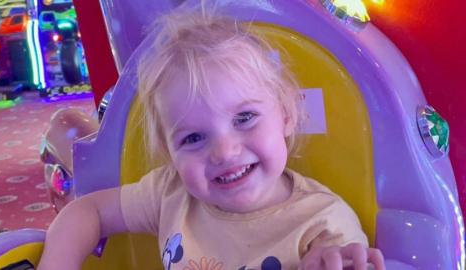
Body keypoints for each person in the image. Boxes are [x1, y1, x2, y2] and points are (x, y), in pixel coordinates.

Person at [38, 5, 385, 270]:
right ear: (169, 151)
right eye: (192, 139)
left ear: (287, 116)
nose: (224, 151)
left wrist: (328, 260)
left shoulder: (323, 224)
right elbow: (87, 212)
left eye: (244, 118)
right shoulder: (168, 193)